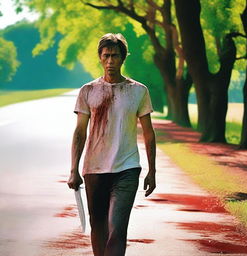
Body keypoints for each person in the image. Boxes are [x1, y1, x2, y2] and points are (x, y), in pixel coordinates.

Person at [67, 33, 156, 256]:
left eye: (115, 56)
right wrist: (73, 170)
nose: (110, 61)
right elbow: (80, 132)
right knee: (98, 226)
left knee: (117, 226)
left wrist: (152, 170)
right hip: (94, 168)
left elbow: (149, 133)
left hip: (126, 168)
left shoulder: (138, 91)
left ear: (122, 58)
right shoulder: (88, 91)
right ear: (100, 57)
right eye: (106, 56)